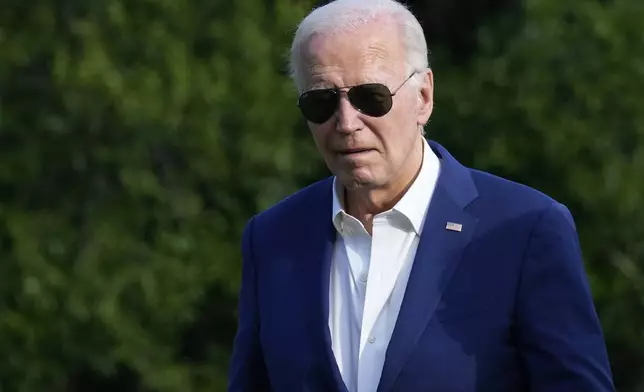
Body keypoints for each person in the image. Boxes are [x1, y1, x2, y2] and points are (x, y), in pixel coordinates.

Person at [227, 0, 615, 391]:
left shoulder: (525, 230)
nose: (346, 123)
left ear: (423, 97)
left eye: (371, 97)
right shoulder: (273, 238)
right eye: (321, 102)